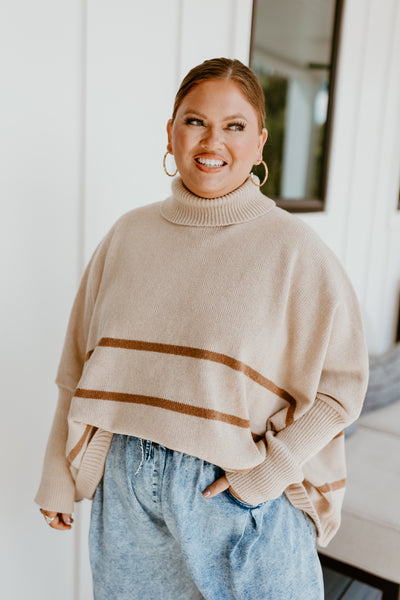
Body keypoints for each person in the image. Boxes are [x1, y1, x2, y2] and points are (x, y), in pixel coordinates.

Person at [36, 57, 369, 599]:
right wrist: (58, 473)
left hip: (236, 490)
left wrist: (269, 473)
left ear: (259, 143)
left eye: (234, 126)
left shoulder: (295, 251)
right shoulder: (128, 235)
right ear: (171, 132)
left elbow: (342, 389)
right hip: (127, 487)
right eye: (195, 121)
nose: (212, 141)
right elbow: (78, 363)